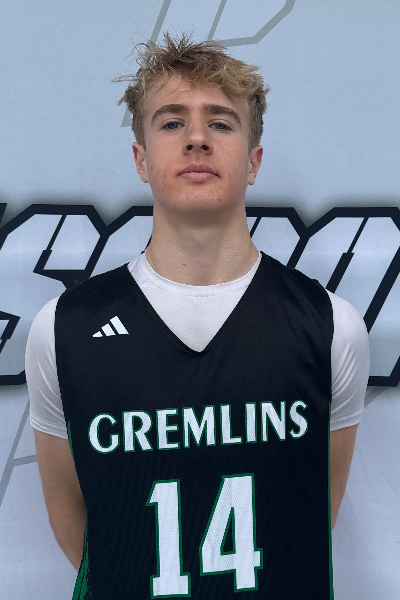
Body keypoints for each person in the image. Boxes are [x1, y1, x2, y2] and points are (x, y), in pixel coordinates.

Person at [26, 32, 370, 599]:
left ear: (253, 161)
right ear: (141, 159)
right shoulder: (64, 329)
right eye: (170, 122)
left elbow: (311, 515)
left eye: (220, 122)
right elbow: (81, 529)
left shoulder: (330, 325)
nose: (196, 139)